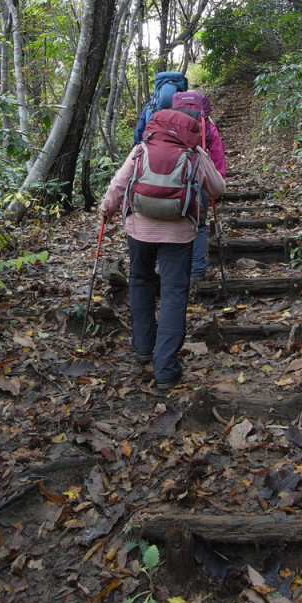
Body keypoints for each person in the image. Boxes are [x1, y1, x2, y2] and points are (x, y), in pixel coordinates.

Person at [100, 107, 225, 389]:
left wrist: (106, 210)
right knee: (173, 293)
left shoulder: (141, 150)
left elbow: (118, 185)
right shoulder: (194, 154)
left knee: (140, 281)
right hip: (179, 233)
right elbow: (217, 189)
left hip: (139, 230)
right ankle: (166, 368)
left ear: (154, 126)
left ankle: (144, 347)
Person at [170, 90, 227, 281]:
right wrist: (218, 179)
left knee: (170, 223)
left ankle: (168, 270)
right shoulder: (207, 123)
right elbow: (217, 151)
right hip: (199, 178)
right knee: (199, 225)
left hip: (171, 177)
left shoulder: (168, 122)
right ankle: (197, 271)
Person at [133, 70, 188, 144]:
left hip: (153, 141)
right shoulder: (186, 102)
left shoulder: (152, 103)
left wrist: (136, 143)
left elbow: (140, 126)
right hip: (180, 143)